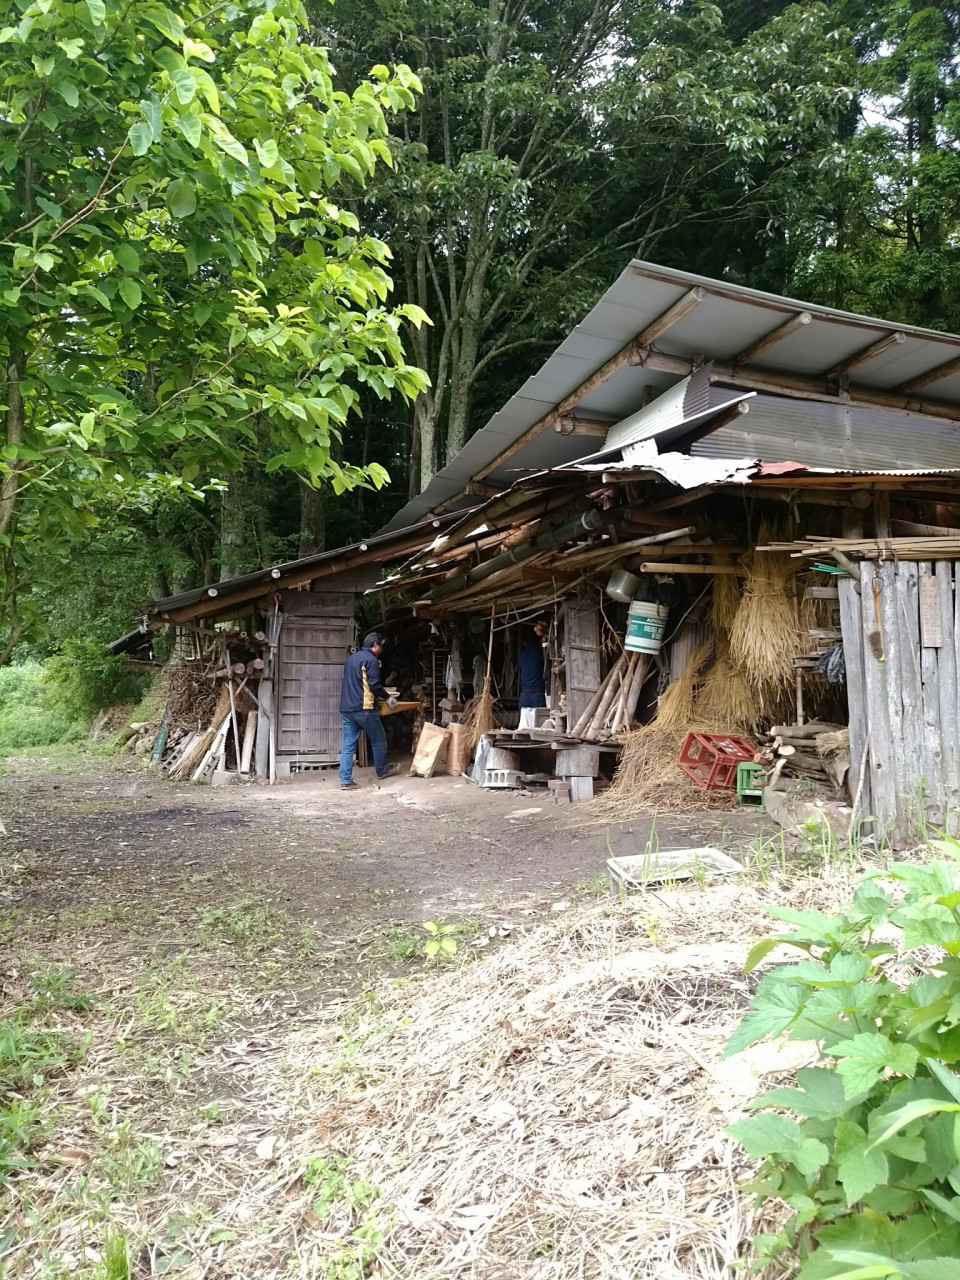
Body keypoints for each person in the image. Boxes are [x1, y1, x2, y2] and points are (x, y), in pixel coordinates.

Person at [339, 632, 400, 789]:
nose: (381, 649)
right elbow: (374, 685)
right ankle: (382, 769)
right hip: (363, 708)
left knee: (347, 745)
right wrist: (388, 698)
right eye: (380, 646)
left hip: (346, 708)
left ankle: (345, 780)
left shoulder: (351, 659)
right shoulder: (371, 660)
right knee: (378, 737)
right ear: (374, 645)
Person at [516, 628, 547, 710]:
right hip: (538, 693)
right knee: (538, 721)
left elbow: (520, 667)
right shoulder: (541, 653)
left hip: (525, 694)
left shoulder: (521, 655)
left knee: (524, 721)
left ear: (523, 642)